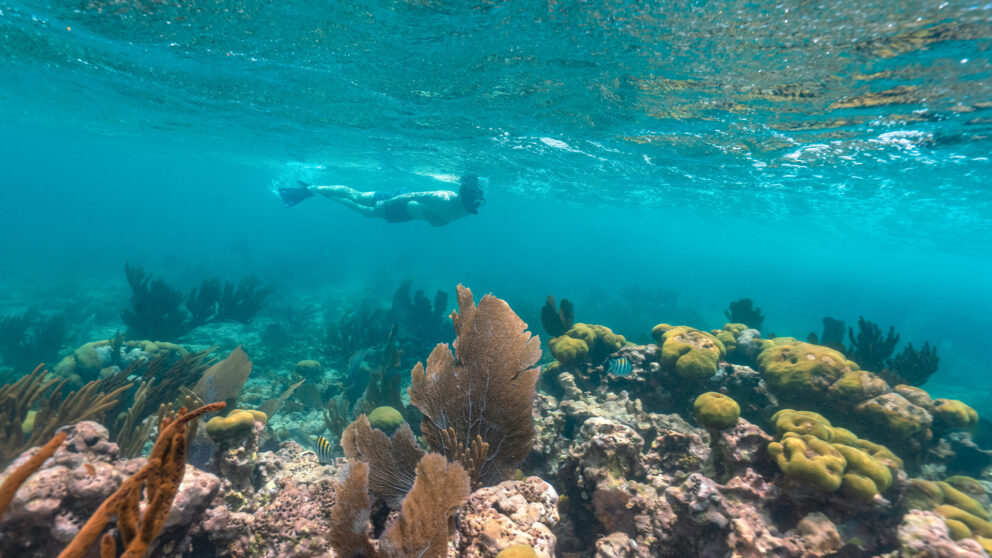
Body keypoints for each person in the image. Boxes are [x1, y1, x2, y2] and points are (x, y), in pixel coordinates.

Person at [279, 175, 485, 227]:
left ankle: (321, 194)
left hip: (406, 216)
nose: (476, 204)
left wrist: (434, 221)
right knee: (358, 196)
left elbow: (442, 222)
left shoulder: (468, 210)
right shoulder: (443, 196)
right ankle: (312, 188)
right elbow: (411, 195)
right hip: (398, 201)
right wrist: (387, 203)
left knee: (365, 212)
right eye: (473, 199)